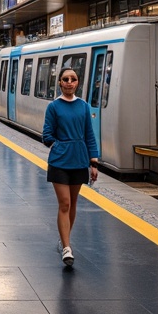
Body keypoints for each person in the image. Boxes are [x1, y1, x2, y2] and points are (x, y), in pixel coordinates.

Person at [42, 67, 99, 269]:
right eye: (65, 79)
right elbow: (46, 134)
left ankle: (64, 239)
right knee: (64, 203)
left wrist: (93, 162)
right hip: (59, 161)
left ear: (77, 83)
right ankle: (67, 247)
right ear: (59, 83)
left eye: (73, 79)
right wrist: (57, 145)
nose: (69, 82)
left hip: (79, 160)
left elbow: (89, 135)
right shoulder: (54, 107)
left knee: (73, 203)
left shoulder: (83, 106)